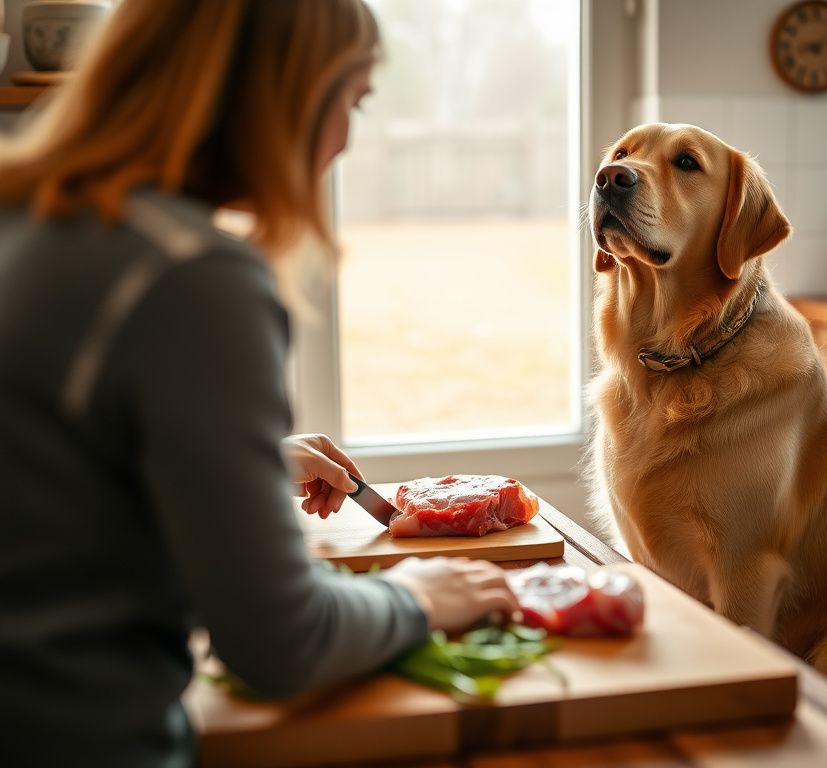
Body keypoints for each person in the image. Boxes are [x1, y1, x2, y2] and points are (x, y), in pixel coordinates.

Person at [0, 2, 519, 765]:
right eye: (354, 99)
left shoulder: (30, 219)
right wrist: (418, 596)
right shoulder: (191, 274)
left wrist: (248, 463)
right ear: (285, 95)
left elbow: (46, 474)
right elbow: (281, 641)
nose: (346, 138)